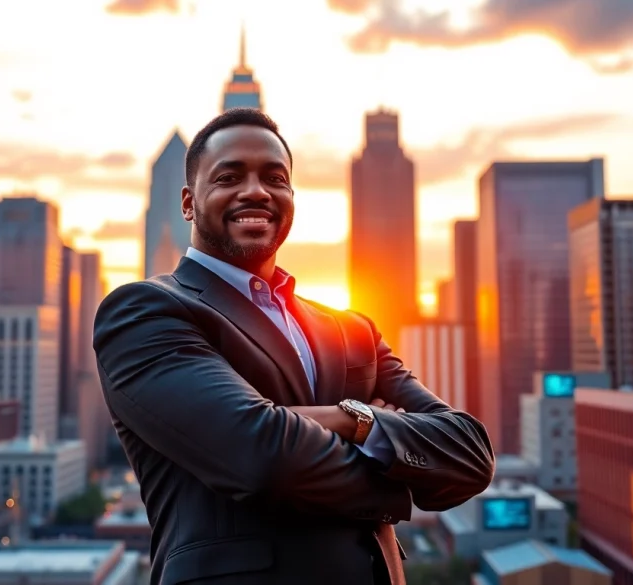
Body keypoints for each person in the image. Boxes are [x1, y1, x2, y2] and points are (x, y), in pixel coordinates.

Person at [93, 107, 495, 585]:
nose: (256, 191)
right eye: (229, 175)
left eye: (275, 178)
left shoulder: (352, 330)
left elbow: (469, 454)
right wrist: (366, 425)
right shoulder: (145, 312)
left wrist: (339, 426)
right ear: (188, 202)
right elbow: (256, 452)